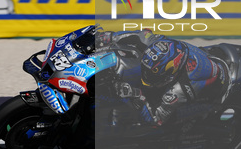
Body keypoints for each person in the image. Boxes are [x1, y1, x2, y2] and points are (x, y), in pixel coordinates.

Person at [98, 29, 229, 126]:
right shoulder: (157, 43)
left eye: (153, 75)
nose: (147, 77)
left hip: (210, 91)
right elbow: (140, 34)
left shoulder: (180, 89)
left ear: (170, 76)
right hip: (202, 57)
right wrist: (108, 37)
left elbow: (157, 119)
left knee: (168, 124)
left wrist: (135, 94)